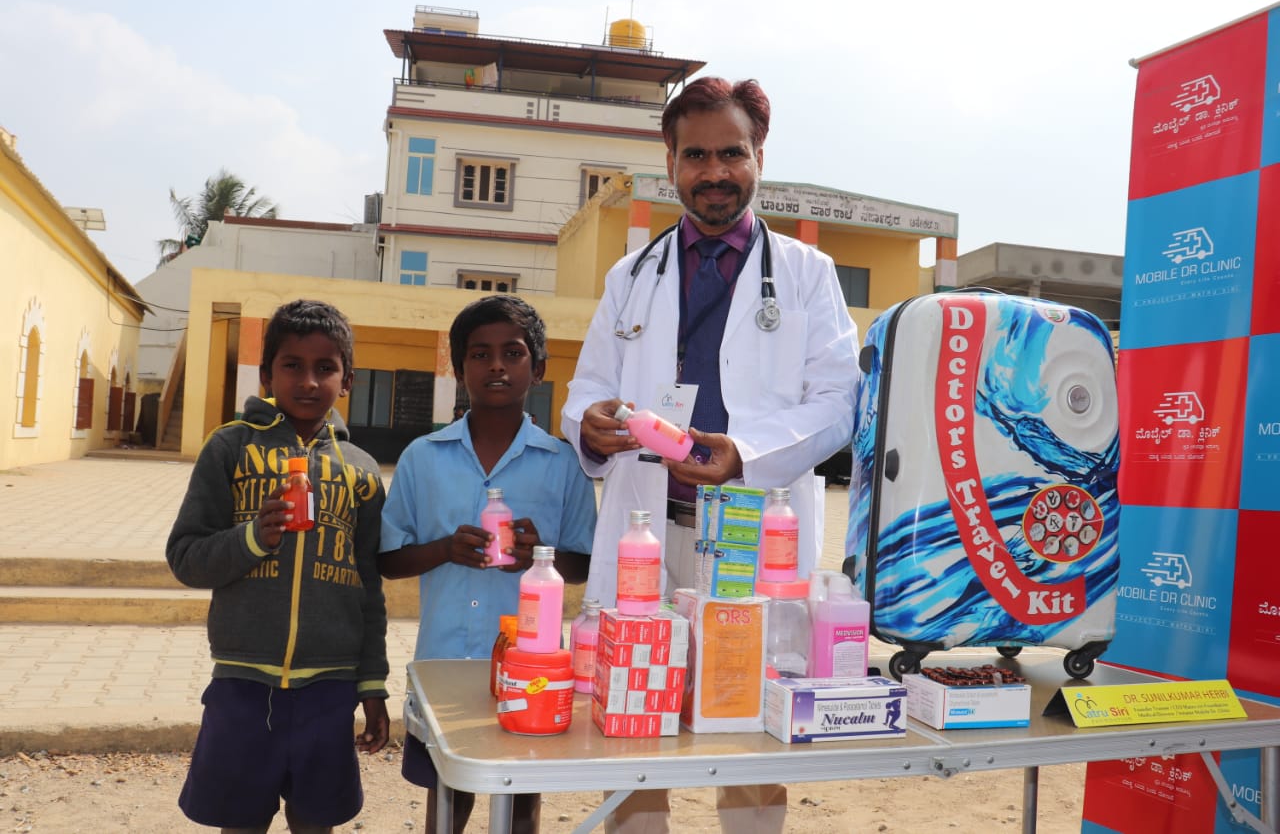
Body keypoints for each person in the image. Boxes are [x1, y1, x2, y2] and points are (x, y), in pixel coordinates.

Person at [561, 76, 860, 834]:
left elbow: (838, 406)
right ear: (671, 161)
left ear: (760, 155)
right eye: (696, 155)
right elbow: (588, 388)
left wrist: (745, 455)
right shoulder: (630, 278)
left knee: (751, 732)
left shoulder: (805, 275)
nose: (715, 171)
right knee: (634, 724)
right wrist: (588, 424)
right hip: (646, 531)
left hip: (758, 538)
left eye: (733, 153)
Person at [167, 299, 389, 834]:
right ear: (267, 374)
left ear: (348, 378)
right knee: (239, 821)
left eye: (325, 368)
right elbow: (186, 557)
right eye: (292, 365)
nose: (308, 381)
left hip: (329, 688)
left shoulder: (360, 470)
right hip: (244, 683)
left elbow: (369, 584)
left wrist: (373, 684)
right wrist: (252, 538)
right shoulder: (231, 446)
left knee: (316, 821)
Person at [380, 294, 597, 834]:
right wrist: (443, 549)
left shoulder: (561, 463)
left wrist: (538, 555)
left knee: (523, 795)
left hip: (532, 665)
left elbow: (582, 564)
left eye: (513, 353)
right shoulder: (422, 457)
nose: (496, 365)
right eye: (479, 354)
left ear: (538, 369)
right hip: (444, 662)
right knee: (447, 796)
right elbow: (387, 558)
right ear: (459, 369)